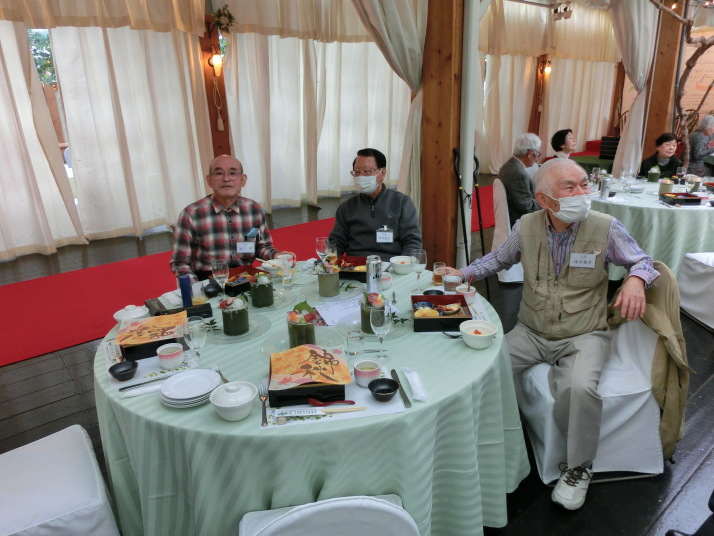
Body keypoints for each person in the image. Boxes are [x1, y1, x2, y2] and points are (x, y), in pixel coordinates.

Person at [443, 158, 659, 511]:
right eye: (569, 187)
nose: (582, 193)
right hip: (530, 330)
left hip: (583, 334)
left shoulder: (605, 226)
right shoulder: (526, 225)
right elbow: (498, 259)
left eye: (584, 184)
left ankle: (579, 467)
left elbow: (642, 260)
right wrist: (463, 273)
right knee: (478, 368)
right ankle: (472, 443)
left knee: (579, 388)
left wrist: (636, 279)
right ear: (544, 200)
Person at [171, 155, 294, 280]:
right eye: (219, 173)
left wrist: (276, 256)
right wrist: (195, 288)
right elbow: (180, 263)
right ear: (209, 180)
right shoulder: (191, 214)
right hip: (208, 281)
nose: (226, 179)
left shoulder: (253, 209)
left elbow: (262, 246)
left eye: (233, 173)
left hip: (246, 278)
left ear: (243, 180)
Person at [328, 148, 422, 262]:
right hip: (355, 267)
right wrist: (329, 261)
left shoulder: (402, 203)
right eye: (357, 172)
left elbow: (412, 242)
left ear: (382, 173)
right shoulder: (346, 207)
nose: (361, 176)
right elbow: (336, 243)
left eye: (367, 171)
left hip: (390, 266)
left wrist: (403, 265)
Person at [499, 133, 542, 228]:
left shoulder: (507, 166)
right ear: (530, 153)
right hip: (518, 223)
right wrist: (545, 201)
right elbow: (528, 208)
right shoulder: (519, 175)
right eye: (538, 154)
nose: (537, 159)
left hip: (509, 216)